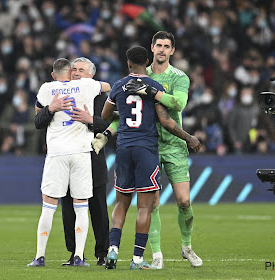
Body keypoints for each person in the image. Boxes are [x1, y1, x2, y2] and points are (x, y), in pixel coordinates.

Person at [93, 31, 203, 268]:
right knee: (149, 203)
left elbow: (179, 104)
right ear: (151, 48)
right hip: (150, 145)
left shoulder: (178, 77)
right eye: (158, 45)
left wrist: (152, 94)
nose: (162, 49)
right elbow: (151, 117)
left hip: (169, 146)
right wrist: (108, 133)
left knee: (183, 201)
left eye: (167, 46)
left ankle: (186, 247)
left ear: (172, 50)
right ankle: (155, 255)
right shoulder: (146, 76)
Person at [27, 58, 106, 267]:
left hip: (58, 154)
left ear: (54, 75)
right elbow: (108, 86)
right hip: (81, 153)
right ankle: (78, 256)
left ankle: (40, 256)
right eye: (75, 70)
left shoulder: (46, 88)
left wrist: (51, 107)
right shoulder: (88, 86)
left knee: (48, 206)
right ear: (70, 72)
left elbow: (36, 116)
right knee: (80, 207)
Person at [60, 57, 111, 266]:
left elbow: (108, 124)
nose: (76, 73)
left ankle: (103, 253)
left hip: (92, 158)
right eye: (74, 69)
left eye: (81, 70)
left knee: (98, 208)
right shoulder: (61, 94)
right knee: (69, 209)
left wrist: (90, 120)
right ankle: (75, 253)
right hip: (69, 159)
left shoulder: (100, 97)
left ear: (91, 76)